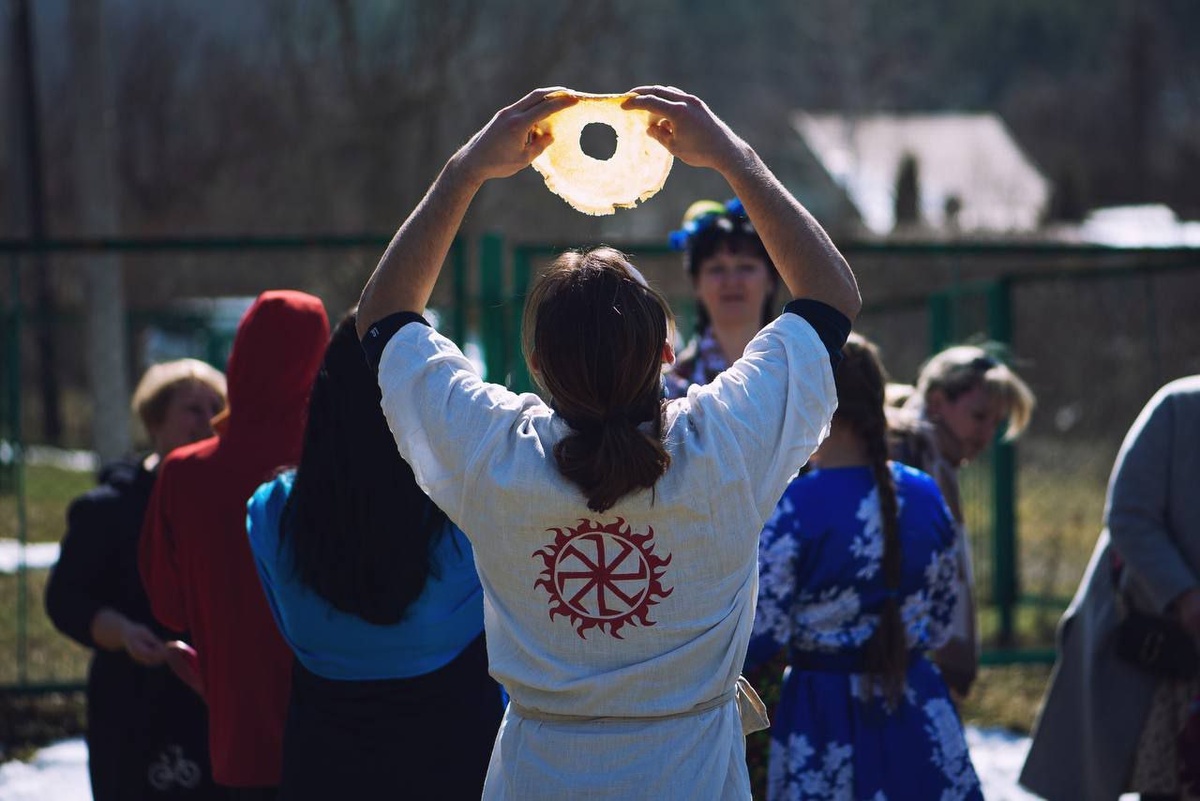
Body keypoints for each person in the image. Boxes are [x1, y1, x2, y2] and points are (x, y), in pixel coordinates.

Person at [355, 86, 861, 800]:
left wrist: (464, 170)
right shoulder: (725, 446)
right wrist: (732, 158)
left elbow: (381, 322)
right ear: (664, 351)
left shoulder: (491, 455)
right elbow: (831, 298)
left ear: (536, 364)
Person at [245, 313, 503, 800]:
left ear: (325, 397)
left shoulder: (271, 513)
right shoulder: (470, 513)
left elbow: (286, 622)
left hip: (324, 769)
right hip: (459, 762)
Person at [744, 334, 982, 799]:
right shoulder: (924, 493)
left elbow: (762, 631)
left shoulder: (794, 507)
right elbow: (941, 617)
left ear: (809, 404)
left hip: (824, 719)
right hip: (918, 707)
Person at [139, 290, 330, 800]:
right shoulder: (335, 470)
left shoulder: (184, 474)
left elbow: (168, 606)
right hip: (337, 734)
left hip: (239, 737)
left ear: (239, 356)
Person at [45, 359, 227, 800]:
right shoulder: (107, 509)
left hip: (214, 702)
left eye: (215, 407)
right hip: (131, 703)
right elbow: (66, 599)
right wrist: (122, 633)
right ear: (154, 419)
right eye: (192, 409)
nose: (207, 421)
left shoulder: (236, 501)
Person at [1020, 376, 1200, 801]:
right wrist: (1184, 595)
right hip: (1153, 640)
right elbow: (1129, 516)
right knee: (1165, 781)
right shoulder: (1178, 408)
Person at [889, 344, 1035, 696]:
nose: (987, 435)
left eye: (996, 423)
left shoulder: (936, 460)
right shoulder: (906, 459)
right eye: (979, 416)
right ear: (937, 403)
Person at [663, 197, 781, 398]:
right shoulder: (673, 384)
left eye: (746, 267)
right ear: (696, 284)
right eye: (717, 269)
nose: (731, 281)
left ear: (771, 279)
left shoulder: (797, 369)